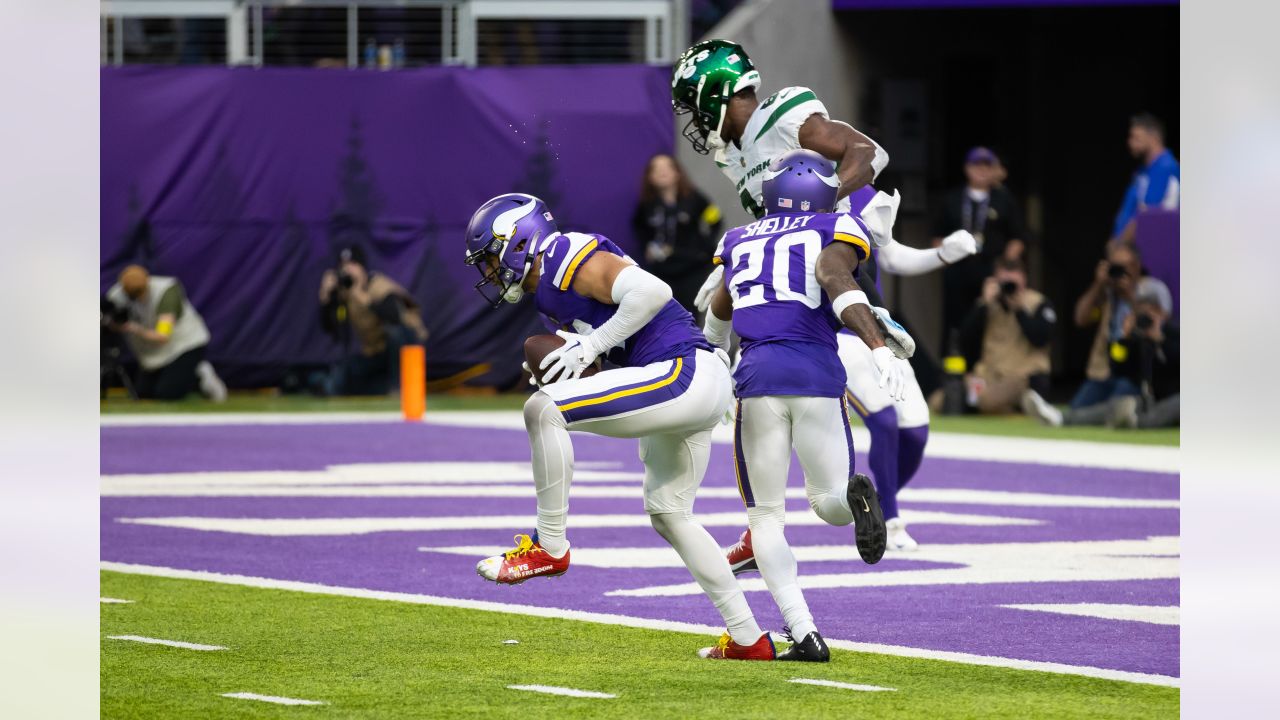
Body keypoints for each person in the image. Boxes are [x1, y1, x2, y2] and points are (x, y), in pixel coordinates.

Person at [673, 39, 979, 552]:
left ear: (715, 94)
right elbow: (775, 228)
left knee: (913, 426)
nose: (696, 121)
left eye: (694, 104)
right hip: (809, 302)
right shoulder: (735, 157)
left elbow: (867, 154)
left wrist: (819, 204)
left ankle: (799, 517)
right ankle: (818, 522)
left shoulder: (783, 113)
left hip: (846, 274)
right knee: (863, 418)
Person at [463, 193, 775, 661]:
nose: (489, 272)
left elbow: (654, 293)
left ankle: (549, 546)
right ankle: (749, 638)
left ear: (518, 241)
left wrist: (589, 350)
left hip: (682, 370)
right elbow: (612, 342)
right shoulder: (551, 292)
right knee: (670, 514)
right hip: (691, 378)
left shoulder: (562, 255)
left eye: (490, 257)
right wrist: (576, 357)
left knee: (543, 409)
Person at [703, 150, 900, 662]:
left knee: (766, 517)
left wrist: (715, 365)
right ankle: (853, 498)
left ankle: (805, 632)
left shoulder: (739, 238)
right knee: (829, 501)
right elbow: (838, 281)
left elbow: (719, 312)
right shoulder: (835, 228)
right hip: (817, 373)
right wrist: (877, 346)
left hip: (759, 375)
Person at [1030, 281, 1178, 429]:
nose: (1146, 315)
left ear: (1163, 311)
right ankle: (1060, 418)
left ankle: (1135, 422)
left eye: (1152, 309)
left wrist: (1160, 340)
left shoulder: (1175, 333)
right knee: (1117, 404)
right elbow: (1117, 367)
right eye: (1141, 309)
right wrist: (1124, 339)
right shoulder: (1138, 338)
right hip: (1149, 400)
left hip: (1173, 398)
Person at [932, 147, 1029, 345]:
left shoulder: (1004, 199)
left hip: (991, 272)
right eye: (977, 165)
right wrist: (944, 258)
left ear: (995, 170)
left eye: (987, 166)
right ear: (967, 168)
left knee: (988, 320)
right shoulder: (953, 199)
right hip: (958, 270)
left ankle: (985, 369)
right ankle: (954, 370)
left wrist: (1006, 266)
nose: (982, 170)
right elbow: (937, 237)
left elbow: (1018, 238)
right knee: (954, 323)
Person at [104, 265, 226, 401]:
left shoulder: (166, 291)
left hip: (184, 346)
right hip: (153, 354)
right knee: (143, 395)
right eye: (131, 295)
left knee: (167, 394)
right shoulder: (116, 295)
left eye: (138, 293)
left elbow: (163, 336)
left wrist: (135, 328)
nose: (135, 298)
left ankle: (199, 376)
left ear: (147, 282)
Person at [318, 245, 428, 395]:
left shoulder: (378, 285)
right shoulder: (346, 294)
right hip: (377, 354)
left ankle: (399, 388)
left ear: (362, 267)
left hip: (408, 348)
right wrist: (326, 299)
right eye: (343, 266)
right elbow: (330, 328)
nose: (348, 270)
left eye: (352, 264)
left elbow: (395, 318)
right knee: (347, 373)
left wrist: (365, 300)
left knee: (395, 332)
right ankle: (383, 389)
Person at [957, 256, 1056, 416]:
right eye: (1005, 284)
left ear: (1024, 280)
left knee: (983, 400)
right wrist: (984, 305)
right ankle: (1010, 411)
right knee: (941, 401)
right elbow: (965, 340)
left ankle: (1009, 410)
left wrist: (1019, 310)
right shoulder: (987, 304)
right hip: (988, 376)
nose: (1009, 289)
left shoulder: (1038, 303)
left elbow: (1041, 338)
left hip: (1021, 378)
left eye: (1013, 284)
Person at [631, 154, 722, 313]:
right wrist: (648, 247)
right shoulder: (647, 206)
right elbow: (639, 226)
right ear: (650, 177)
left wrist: (703, 248)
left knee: (690, 313)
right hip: (663, 270)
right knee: (665, 314)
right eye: (656, 169)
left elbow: (715, 220)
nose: (662, 172)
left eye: (667, 167)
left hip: (692, 268)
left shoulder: (694, 199)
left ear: (677, 172)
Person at [1111, 113, 1180, 245]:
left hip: (1157, 252)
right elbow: (1128, 210)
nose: (1130, 142)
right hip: (1131, 252)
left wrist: (1119, 246)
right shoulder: (1141, 172)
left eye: (1136, 137)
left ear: (1153, 137)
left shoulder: (1166, 167)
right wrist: (1115, 239)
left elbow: (1147, 216)